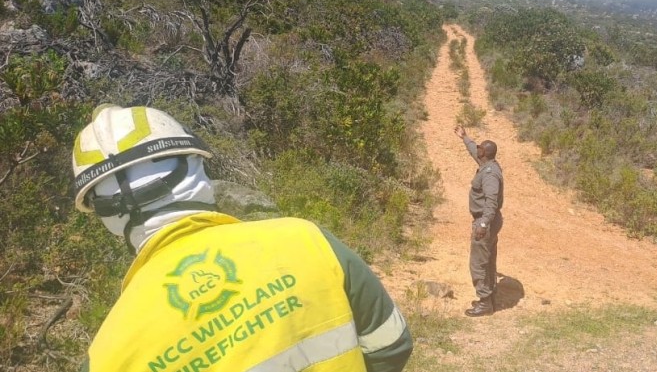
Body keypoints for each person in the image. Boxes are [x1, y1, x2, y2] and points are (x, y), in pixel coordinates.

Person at [71, 104, 412, 372]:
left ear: (104, 215)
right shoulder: (305, 240)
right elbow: (391, 345)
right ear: (195, 166)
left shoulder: (105, 354)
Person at [453, 125, 504, 317]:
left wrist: (483, 224)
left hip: (485, 221)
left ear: (485, 153)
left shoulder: (490, 174)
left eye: (480, 148)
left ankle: (484, 302)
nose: (478, 150)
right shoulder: (488, 164)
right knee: (489, 260)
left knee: (478, 263)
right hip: (490, 220)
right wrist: (464, 137)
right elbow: (473, 150)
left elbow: (491, 202)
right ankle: (490, 297)